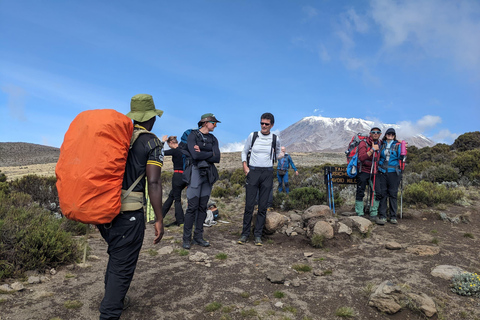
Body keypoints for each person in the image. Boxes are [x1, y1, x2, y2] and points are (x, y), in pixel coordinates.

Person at [98, 94, 165, 319]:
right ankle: (109, 311)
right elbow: (154, 182)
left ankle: (112, 298)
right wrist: (159, 218)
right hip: (129, 215)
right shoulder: (152, 142)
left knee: (116, 255)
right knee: (122, 267)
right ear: (151, 118)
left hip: (104, 211)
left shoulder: (117, 137)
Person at [238, 113, 283, 246]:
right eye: (262, 123)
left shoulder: (275, 139)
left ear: (272, 125)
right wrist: (245, 167)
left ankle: (258, 235)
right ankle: (245, 234)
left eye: (266, 124)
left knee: (263, 206)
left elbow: (279, 153)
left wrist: (280, 156)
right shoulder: (253, 136)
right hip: (253, 171)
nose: (263, 126)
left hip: (267, 173)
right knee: (249, 205)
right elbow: (244, 152)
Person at [182, 113, 221, 249]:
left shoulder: (213, 138)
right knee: (192, 207)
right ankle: (186, 239)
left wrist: (203, 152)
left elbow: (217, 157)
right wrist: (210, 152)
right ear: (206, 123)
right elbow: (194, 155)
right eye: (214, 123)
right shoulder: (193, 135)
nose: (215, 126)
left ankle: (198, 237)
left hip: (208, 174)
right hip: (195, 173)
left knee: (202, 207)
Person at [375, 128, 406, 225]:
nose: (390, 135)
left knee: (393, 194)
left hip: (394, 172)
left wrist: (403, 144)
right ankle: (383, 216)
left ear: (394, 136)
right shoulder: (382, 144)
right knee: (383, 194)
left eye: (392, 134)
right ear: (386, 135)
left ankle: (393, 216)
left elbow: (402, 156)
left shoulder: (397, 145)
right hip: (382, 172)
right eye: (389, 134)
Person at [355, 127, 382, 219]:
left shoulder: (381, 143)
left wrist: (400, 143)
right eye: (373, 132)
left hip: (375, 171)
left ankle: (373, 213)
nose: (375, 133)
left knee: (377, 192)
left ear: (380, 134)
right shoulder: (364, 143)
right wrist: (372, 150)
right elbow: (361, 157)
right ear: (370, 133)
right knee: (360, 191)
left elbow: (391, 141)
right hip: (363, 171)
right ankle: (359, 213)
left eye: (377, 132)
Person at [160, 135, 187, 227]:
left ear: (171, 143)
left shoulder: (174, 151)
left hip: (177, 176)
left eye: (168, 145)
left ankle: (180, 221)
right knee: (172, 196)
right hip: (185, 176)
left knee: (177, 200)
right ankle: (160, 217)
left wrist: (162, 142)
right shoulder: (184, 150)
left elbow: (160, 152)